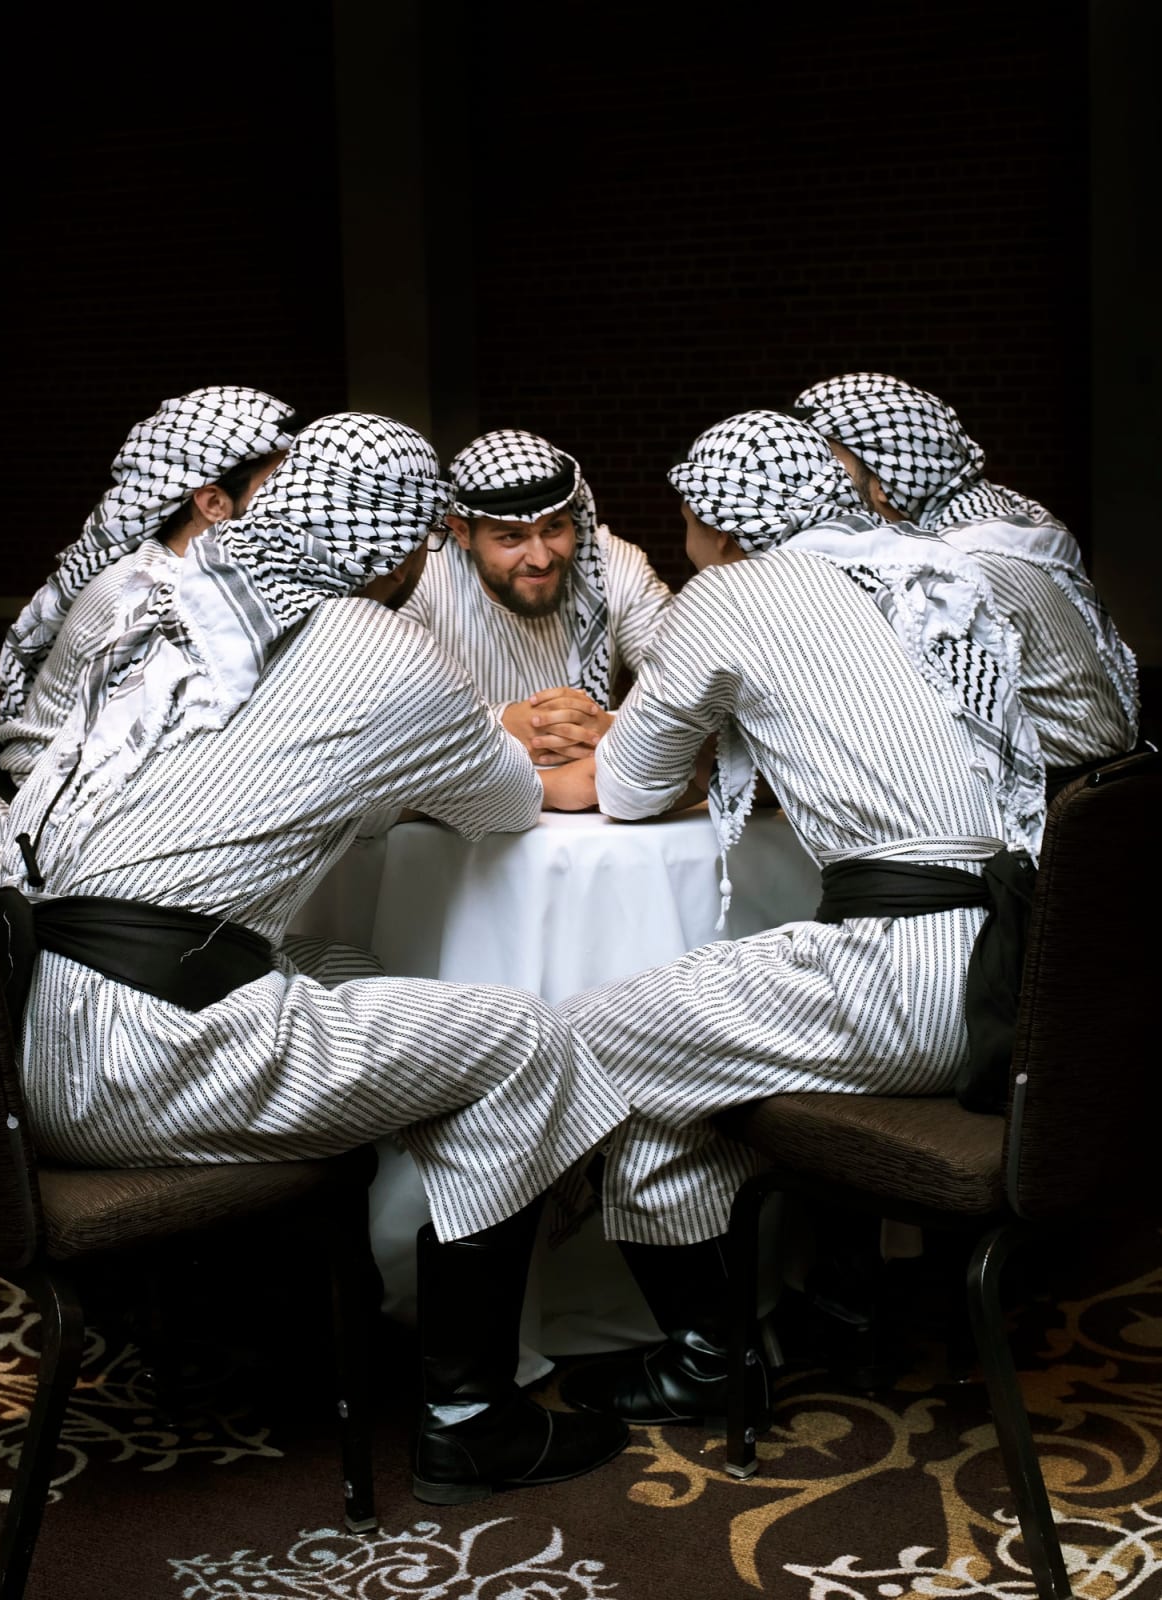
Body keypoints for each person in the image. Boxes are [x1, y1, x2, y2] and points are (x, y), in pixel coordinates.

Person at [0, 412, 629, 1502]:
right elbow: (511, 802)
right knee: (518, 1033)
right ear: (401, 548)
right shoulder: (384, 649)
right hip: (156, 1056)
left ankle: (318, 1311)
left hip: (25, 1032)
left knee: (343, 962)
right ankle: (473, 1416)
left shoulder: (165, 602)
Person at [550, 410, 1046, 1424]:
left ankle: (698, 1348)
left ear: (719, 523)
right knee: (673, 1087)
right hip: (1030, 975)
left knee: (579, 1034)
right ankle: (726, 1343)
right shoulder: (928, 567)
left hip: (898, 976)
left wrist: (651, 746)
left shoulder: (729, 592)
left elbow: (631, 787)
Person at [0, 387, 301, 884]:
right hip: (21, 858)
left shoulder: (195, 582)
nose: (296, 501)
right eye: (278, 484)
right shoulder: (147, 593)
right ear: (214, 502)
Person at [795, 372, 1140, 796]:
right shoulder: (1012, 520)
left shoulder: (952, 566)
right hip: (1112, 788)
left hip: (1057, 807)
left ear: (884, 486)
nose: (825, 488)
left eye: (836, 469)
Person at [400, 428, 672, 767]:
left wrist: (616, 728)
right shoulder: (421, 577)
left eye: (553, 528)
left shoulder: (614, 566)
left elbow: (685, 687)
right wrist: (498, 726)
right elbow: (392, 722)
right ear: (462, 532)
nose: (541, 558)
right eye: (512, 536)